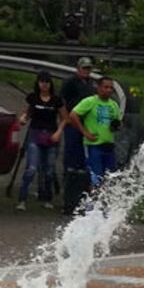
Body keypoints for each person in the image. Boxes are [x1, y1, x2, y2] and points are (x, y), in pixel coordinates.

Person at [17, 71, 68, 211]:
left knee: (49, 170)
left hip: (51, 135)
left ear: (50, 84)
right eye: (41, 82)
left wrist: (59, 132)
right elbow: (27, 113)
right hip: (35, 134)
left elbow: (65, 118)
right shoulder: (33, 98)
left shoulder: (57, 100)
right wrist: (23, 119)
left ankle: (47, 198)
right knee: (31, 168)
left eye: (46, 82)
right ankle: (22, 198)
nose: (44, 85)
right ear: (38, 83)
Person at [69, 77, 121, 188]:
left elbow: (116, 123)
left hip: (109, 145)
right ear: (98, 88)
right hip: (94, 145)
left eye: (111, 88)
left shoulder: (114, 105)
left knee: (109, 177)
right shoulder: (90, 101)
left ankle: (103, 202)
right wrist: (85, 132)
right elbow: (73, 115)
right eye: (106, 87)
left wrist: (116, 126)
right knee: (95, 177)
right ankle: (91, 203)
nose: (108, 90)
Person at [60, 57, 96, 214]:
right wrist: (65, 119)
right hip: (72, 123)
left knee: (83, 160)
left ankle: (81, 194)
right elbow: (61, 101)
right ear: (78, 69)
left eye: (88, 69)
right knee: (71, 159)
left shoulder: (90, 85)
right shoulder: (70, 83)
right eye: (84, 68)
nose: (86, 71)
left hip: (86, 124)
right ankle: (68, 196)